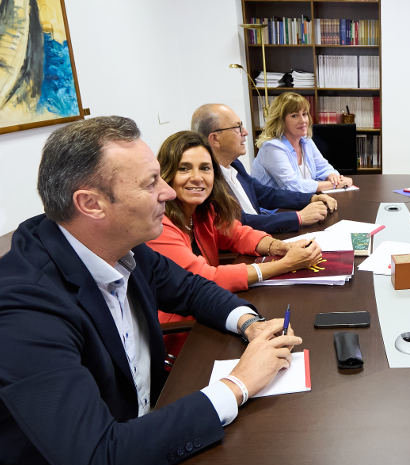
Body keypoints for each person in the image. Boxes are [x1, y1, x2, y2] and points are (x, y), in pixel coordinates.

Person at [0, 116, 301, 465]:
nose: (170, 193)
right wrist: (238, 384)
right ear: (92, 204)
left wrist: (249, 324)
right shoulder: (21, 306)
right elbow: (100, 464)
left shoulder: (120, 246)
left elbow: (192, 288)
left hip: (137, 454)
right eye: (151, 182)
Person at [148, 130, 322, 323]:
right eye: (184, 169)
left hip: (211, 312)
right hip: (183, 333)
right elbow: (204, 278)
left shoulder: (203, 211)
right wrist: (285, 264)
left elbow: (238, 234)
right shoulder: (159, 225)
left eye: (205, 168)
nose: (197, 177)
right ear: (166, 174)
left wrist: (281, 247)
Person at [192, 103, 337, 234]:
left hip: (262, 234)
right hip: (240, 251)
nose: (245, 132)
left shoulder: (235, 164)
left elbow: (265, 194)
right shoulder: (205, 181)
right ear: (215, 139)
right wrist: (299, 217)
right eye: (238, 127)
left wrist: (311, 198)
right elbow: (242, 222)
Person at [252, 92, 355, 193]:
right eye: (294, 116)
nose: (303, 120)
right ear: (281, 121)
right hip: (276, 208)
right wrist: (334, 184)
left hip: (301, 203)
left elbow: (323, 168)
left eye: (304, 114)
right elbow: (292, 186)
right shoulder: (272, 148)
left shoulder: (306, 141)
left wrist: (332, 176)